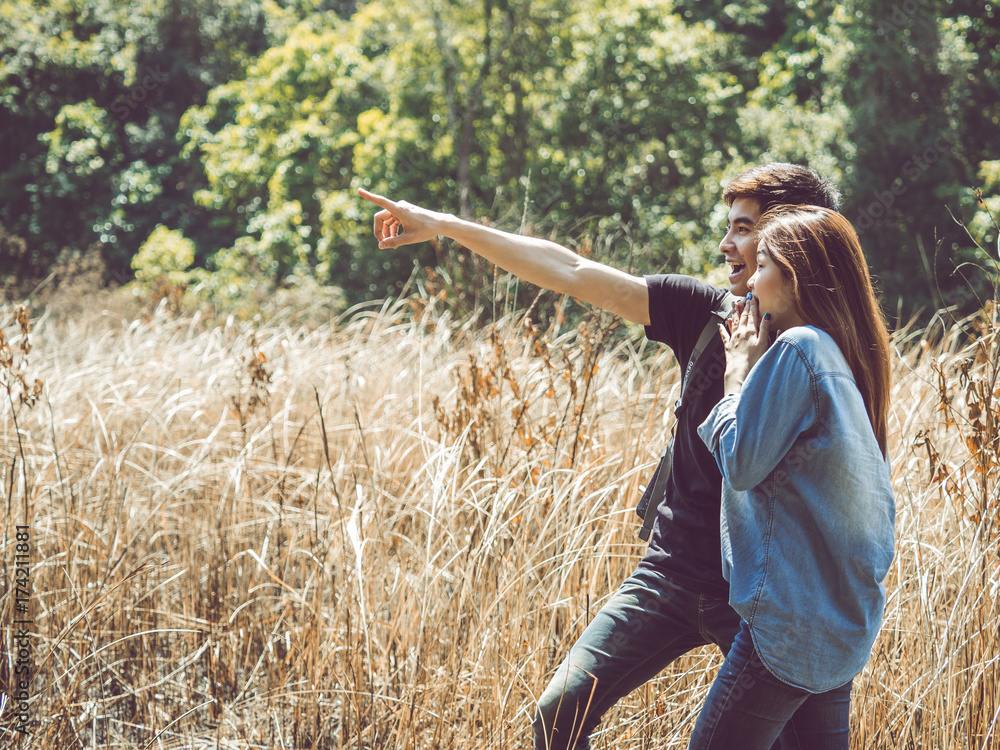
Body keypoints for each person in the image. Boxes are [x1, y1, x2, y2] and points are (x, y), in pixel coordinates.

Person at [358, 162, 842, 750]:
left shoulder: (821, 359)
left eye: (743, 229)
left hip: (760, 597)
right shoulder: (702, 312)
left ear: (793, 237)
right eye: (729, 226)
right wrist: (444, 225)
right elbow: (570, 268)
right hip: (669, 573)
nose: (725, 244)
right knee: (557, 717)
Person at [691, 205, 896, 749]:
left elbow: (741, 463)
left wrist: (736, 374)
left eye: (762, 265)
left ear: (794, 277)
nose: (751, 280)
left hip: (785, 627)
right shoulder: (844, 358)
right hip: (834, 624)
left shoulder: (798, 348)